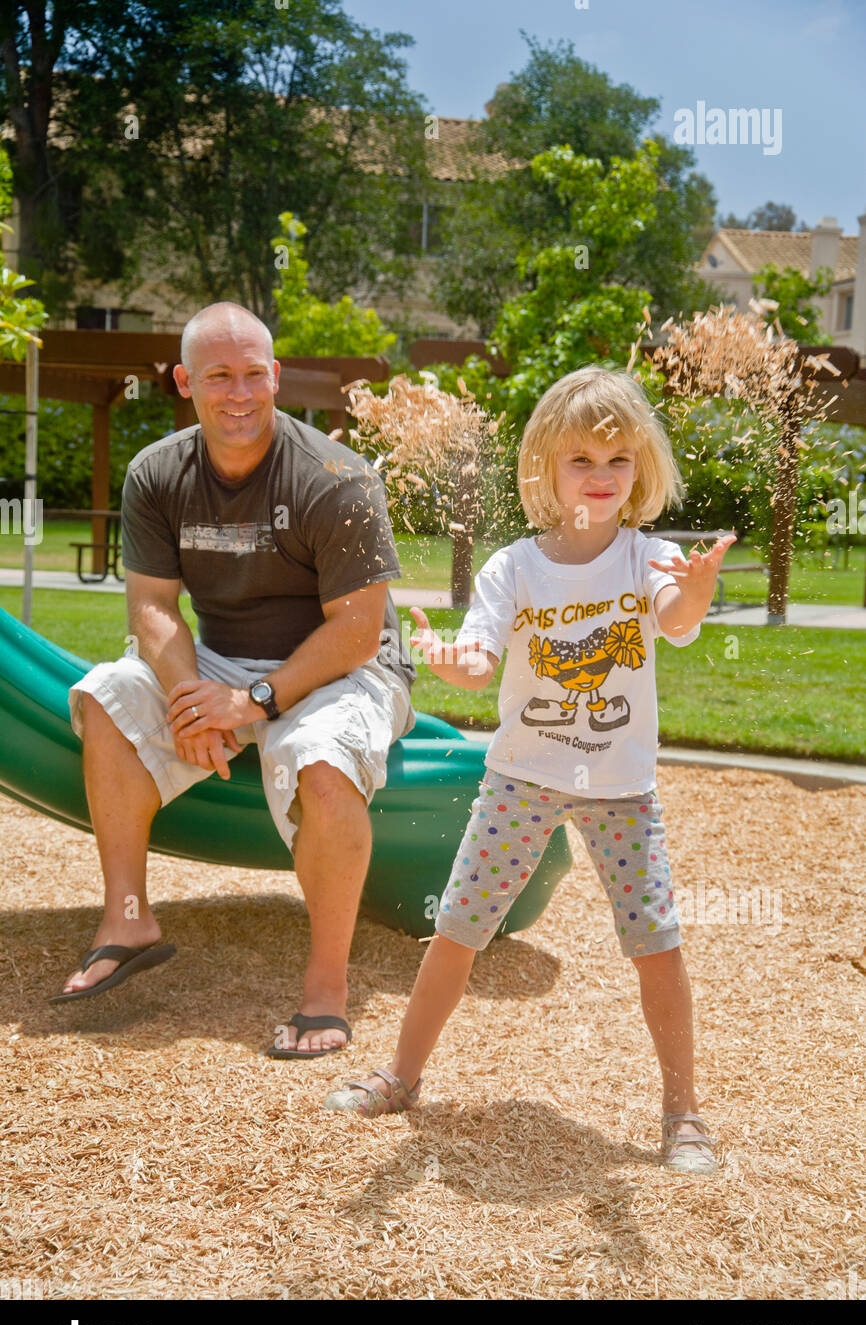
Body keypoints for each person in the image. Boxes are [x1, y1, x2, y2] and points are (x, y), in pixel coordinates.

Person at [324, 365, 735, 1175]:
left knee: (658, 944)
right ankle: (401, 1077)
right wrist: (447, 657)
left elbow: (679, 623)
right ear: (545, 467)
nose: (603, 476)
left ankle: (684, 1113)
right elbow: (479, 662)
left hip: (622, 790)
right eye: (582, 460)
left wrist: (700, 591)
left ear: (641, 468)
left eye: (619, 461)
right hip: (521, 777)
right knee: (457, 930)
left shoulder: (650, 559)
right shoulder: (512, 568)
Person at [54, 301, 417, 1060]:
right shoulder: (157, 472)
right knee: (106, 696)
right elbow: (152, 607)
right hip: (219, 661)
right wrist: (194, 698)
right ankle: (129, 920)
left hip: (344, 667)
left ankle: (326, 989)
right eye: (219, 376)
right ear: (185, 382)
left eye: (255, 374)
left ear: (276, 377)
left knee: (321, 763)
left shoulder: (337, 480)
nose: (240, 393)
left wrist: (251, 701)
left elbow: (357, 631)